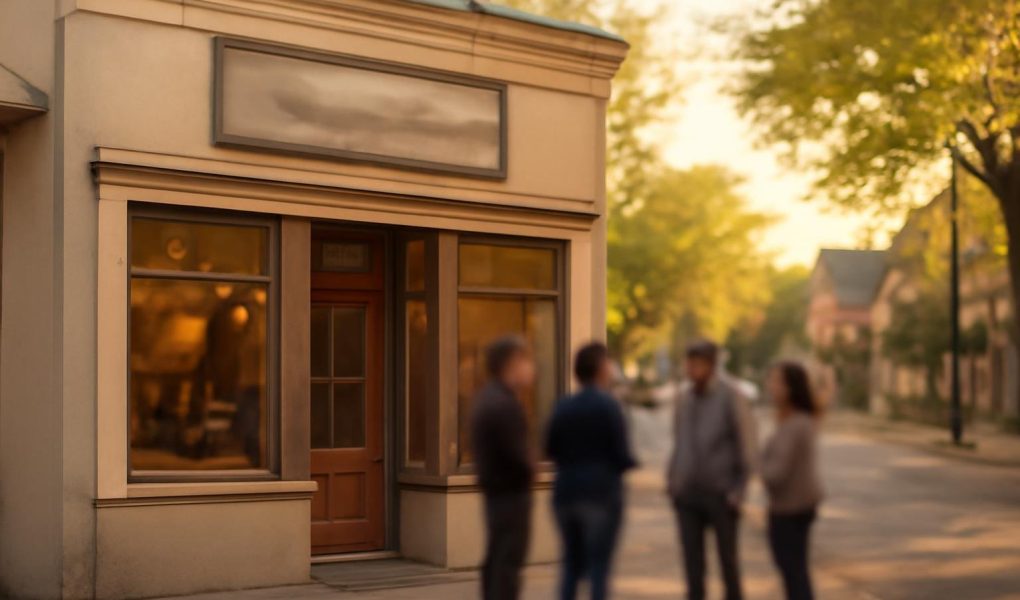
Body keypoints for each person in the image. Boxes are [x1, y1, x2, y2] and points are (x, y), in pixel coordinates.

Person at [546, 342, 638, 600]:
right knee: (599, 567)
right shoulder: (609, 406)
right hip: (600, 494)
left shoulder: (563, 405)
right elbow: (621, 454)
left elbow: (551, 448)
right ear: (600, 369)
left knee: (570, 566)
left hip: (565, 494)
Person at [667, 339, 757, 600]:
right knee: (693, 569)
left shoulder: (731, 395)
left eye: (697, 364)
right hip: (687, 494)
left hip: (722, 494)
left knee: (728, 566)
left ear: (711, 366)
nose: (691, 370)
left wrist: (739, 490)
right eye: (689, 364)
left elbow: (747, 445)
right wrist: (673, 481)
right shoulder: (684, 397)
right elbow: (679, 441)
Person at [471, 335, 537, 600]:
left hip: (497, 495)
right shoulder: (503, 404)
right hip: (509, 495)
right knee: (507, 565)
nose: (532, 368)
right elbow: (518, 457)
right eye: (527, 361)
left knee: (497, 560)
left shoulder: (488, 398)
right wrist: (531, 467)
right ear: (513, 363)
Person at [762, 362, 824, 600]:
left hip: (791, 508)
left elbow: (776, 472)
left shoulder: (796, 423)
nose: (770, 386)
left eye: (776, 381)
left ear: (790, 388)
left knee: (794, 573)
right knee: (794, 572)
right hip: (793, 506)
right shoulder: (794, 420)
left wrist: (755, 464)